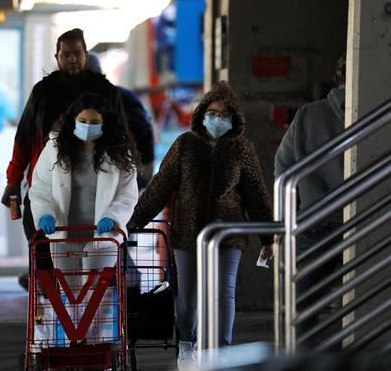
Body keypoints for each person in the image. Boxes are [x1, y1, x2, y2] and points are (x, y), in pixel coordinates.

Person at [126, 81, 274, 368]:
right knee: (188, 298)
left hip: (228, 233)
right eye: (213, 112)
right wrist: (136, 220)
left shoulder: (240, 148)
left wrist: (268, 236)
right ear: (202, 113)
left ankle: (222, 353)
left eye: (224, 114)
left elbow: (256, 191)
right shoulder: (185, 145)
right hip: (188, 231)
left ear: (234, 119)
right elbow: (161, 186)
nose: (217, 119)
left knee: (224, 293)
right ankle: (186, 345)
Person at [0, 28, 125, 289]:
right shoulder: (43, 92)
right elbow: (23, 138)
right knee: (45, 258)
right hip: (45, 183)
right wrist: (13, 181)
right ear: (56, 57)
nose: (71, 59)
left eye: (77, 53)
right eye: (65, 54)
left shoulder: (105, 91)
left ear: (86, 55)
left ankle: (89, 319)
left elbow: (122, 137)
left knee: (97, 267)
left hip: (97, 189)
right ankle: (48, 310)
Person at [29, 93, 138, 342]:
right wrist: (45, 213)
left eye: (94, 122)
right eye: (83, 120)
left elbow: (127, 194)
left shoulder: (119, 151)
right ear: (72, 120)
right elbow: (41, 188)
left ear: (105, 122)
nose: (88, 127)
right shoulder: (55, 148)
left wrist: (113, 216)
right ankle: (71, 345)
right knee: (68, 294)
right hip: (62, 234)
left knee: (96, 296)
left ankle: (96, 347)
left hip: (102, 236)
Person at [274, 55, 346, 348]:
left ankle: (300, 358)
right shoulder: (377, 104)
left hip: (314, 221)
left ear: (338, 77)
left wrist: (285, 221)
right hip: (368, 219)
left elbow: (283, 167)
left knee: (301, 306)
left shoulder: (308, 115)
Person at [86, 52, 155, 188]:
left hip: (126, 176)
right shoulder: (76, 104)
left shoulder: (124, 100)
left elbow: (144, 135)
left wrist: (145, 175)